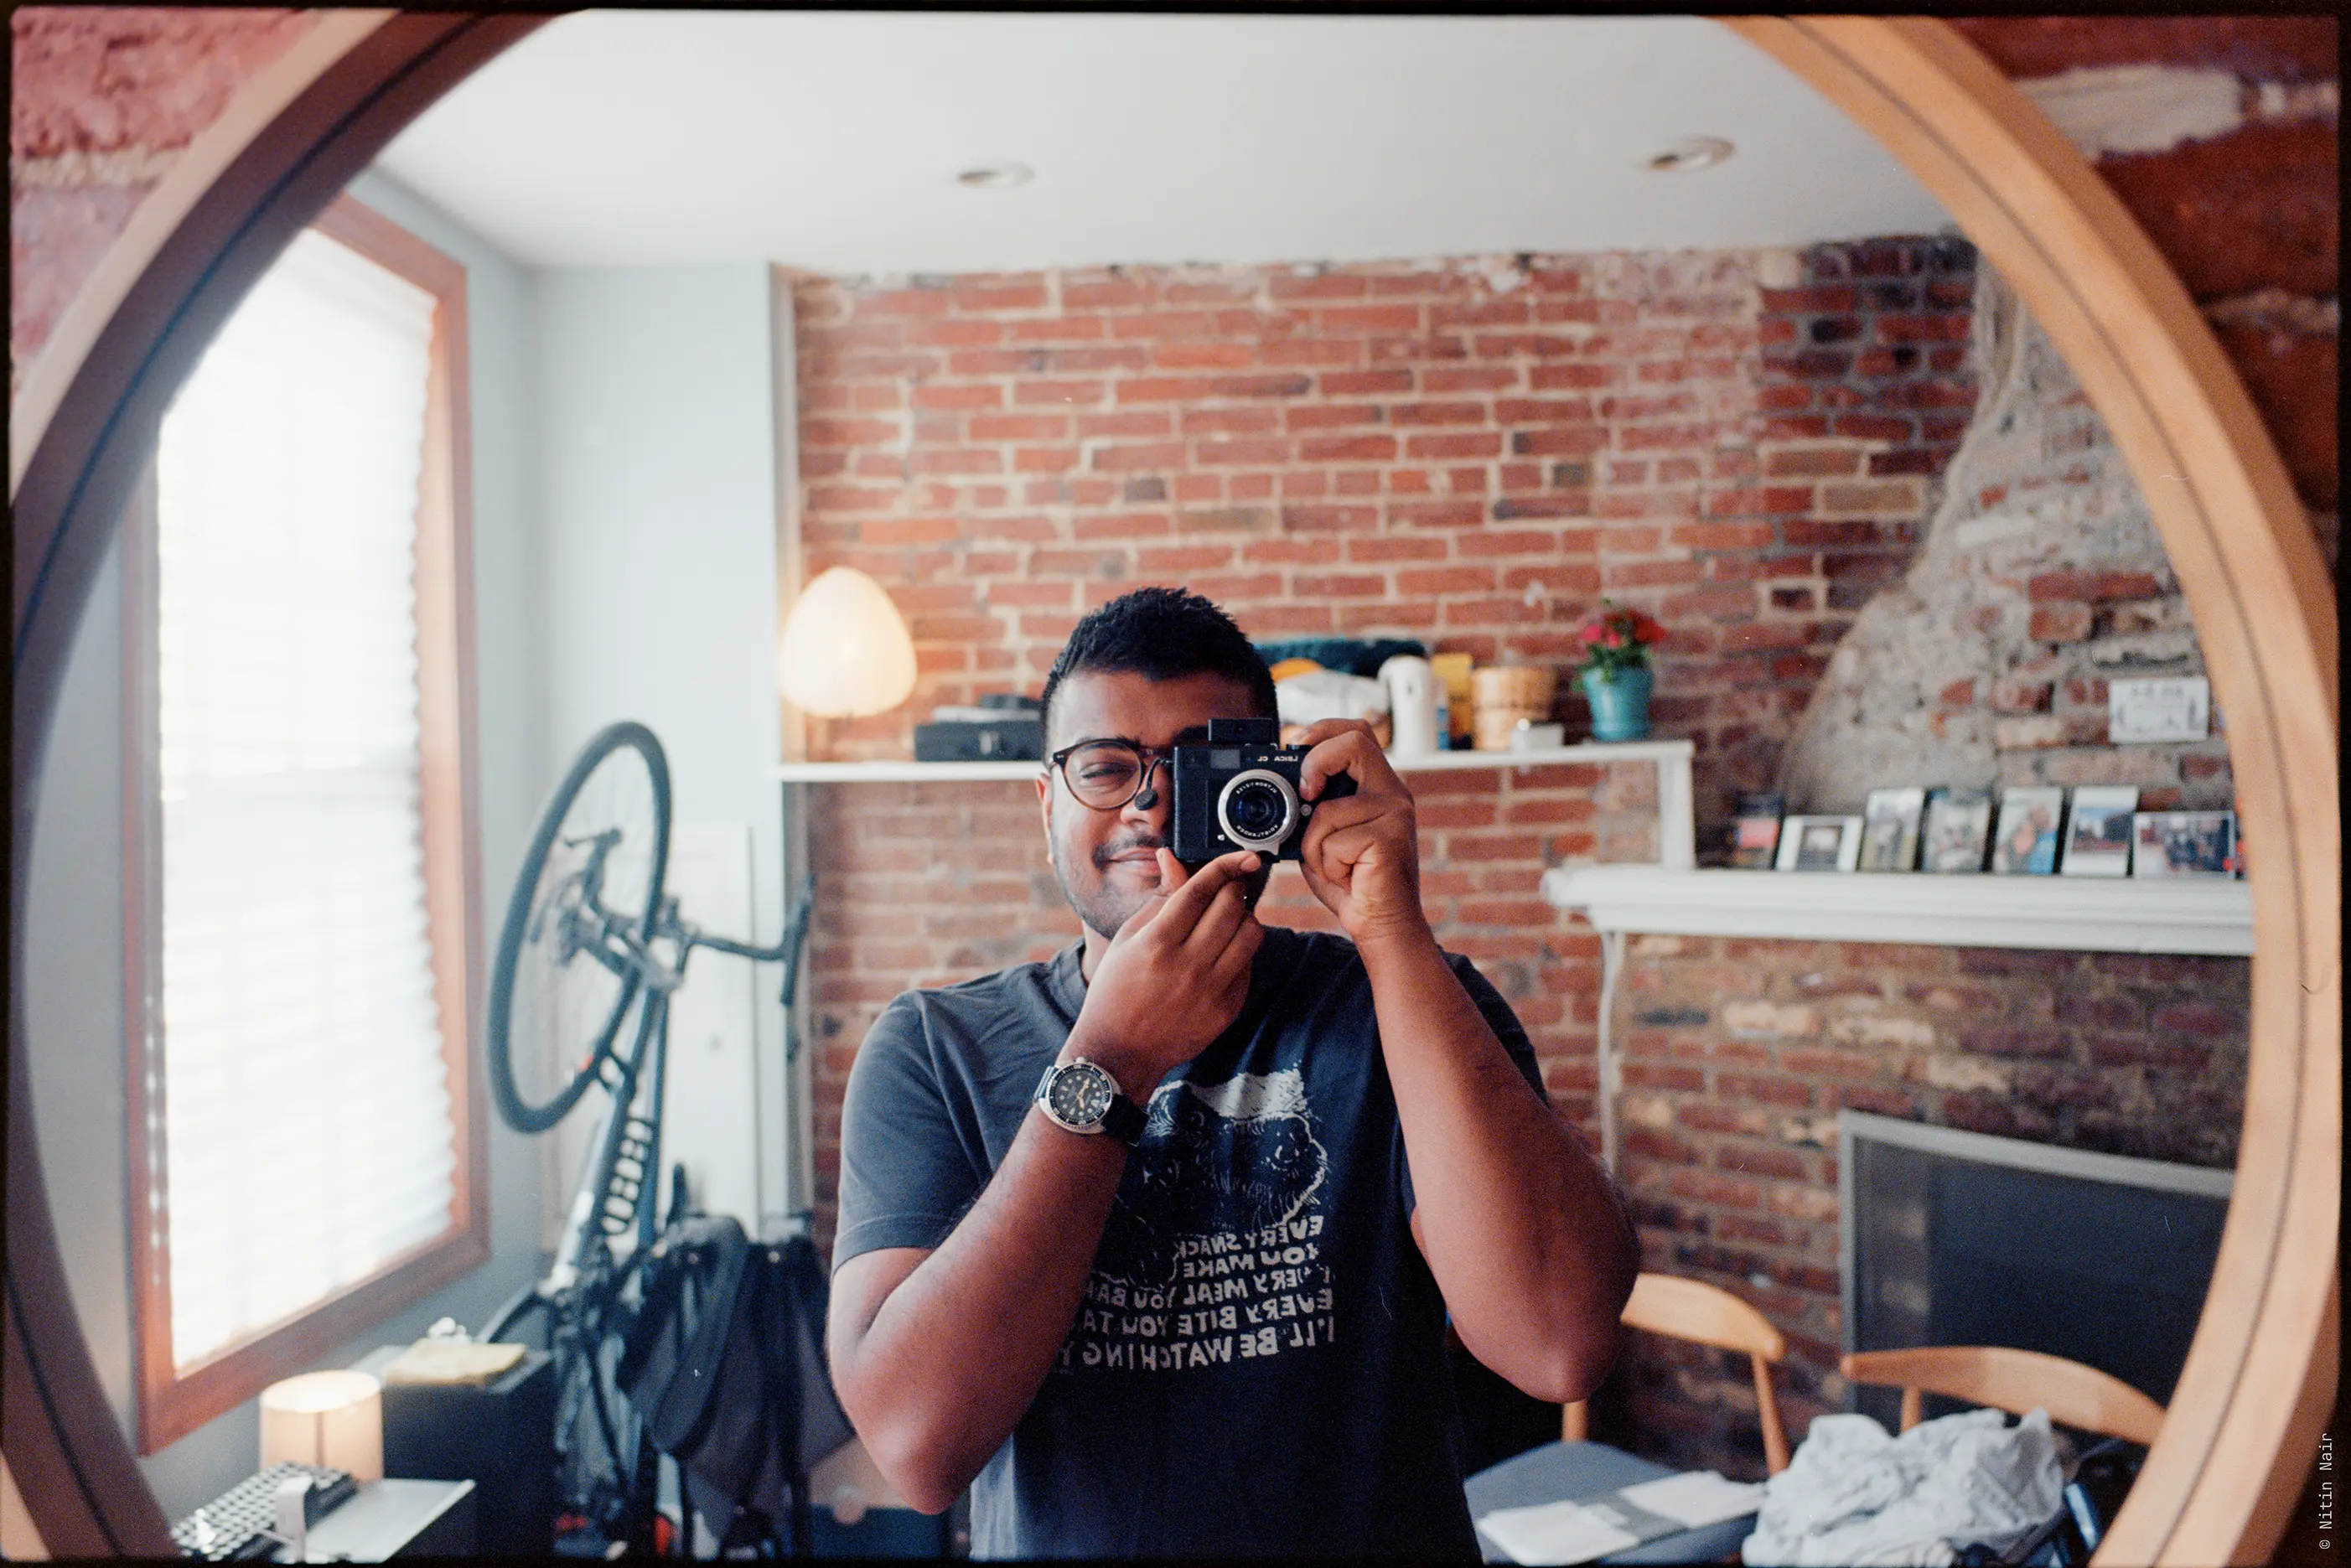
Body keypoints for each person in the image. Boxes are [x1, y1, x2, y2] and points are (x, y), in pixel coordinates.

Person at [826, 587, 1637, 1558]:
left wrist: (1390, 929)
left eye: (1196, 764)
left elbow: (1559, 1341)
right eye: (1105, 767)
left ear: (1279, 787)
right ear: (1046, 802)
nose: (1150, 799)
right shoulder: (934, 1048)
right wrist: (1109, 1060)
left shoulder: (1408, 999)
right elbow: (916, 1446)